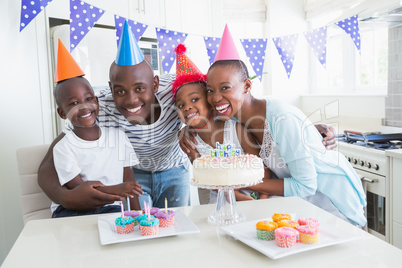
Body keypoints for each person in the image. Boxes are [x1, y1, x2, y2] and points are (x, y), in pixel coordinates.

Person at [181, 25, 366, 226]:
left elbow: (305, 185)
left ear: (247, 86)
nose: (216, 98)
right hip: (299, 206)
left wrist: (236, 183)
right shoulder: (233, 118)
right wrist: (185, 129)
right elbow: (203, 120)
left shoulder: (281, 118)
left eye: (225, 88)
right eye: (210, 90)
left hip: (331, 202)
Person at [38, 21, 190, 211]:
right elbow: (48, 165)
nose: (131, 100)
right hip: (133, 176)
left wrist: (191, 129)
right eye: (120, 91)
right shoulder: (96, 106)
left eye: (140, 88)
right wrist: (66, 198)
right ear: (110, 88)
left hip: (175, 170)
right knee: (141, 230)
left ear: (156, 84)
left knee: (176, 224)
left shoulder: (176, 91)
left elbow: (212, 98)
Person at [50, 40, 142, 217]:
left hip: (111, 206)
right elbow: (80, 191)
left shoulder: (118, 136)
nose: (84, 107)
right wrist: (119, 189)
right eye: (74, 103)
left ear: (97, 101)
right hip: (74, 209)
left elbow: (128, 178)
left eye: (88, 99)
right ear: (62, 113)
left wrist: (138, 213)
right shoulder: (63, 147)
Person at [172, 44, 269, 202]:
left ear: (210, 101)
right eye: (180, 105)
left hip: (254, 201)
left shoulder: (236, 130)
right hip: (218, 206)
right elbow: (207, 179)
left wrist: (261, 201)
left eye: (195, 99)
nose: (187, 107)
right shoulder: (189, 141)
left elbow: (261, 169)